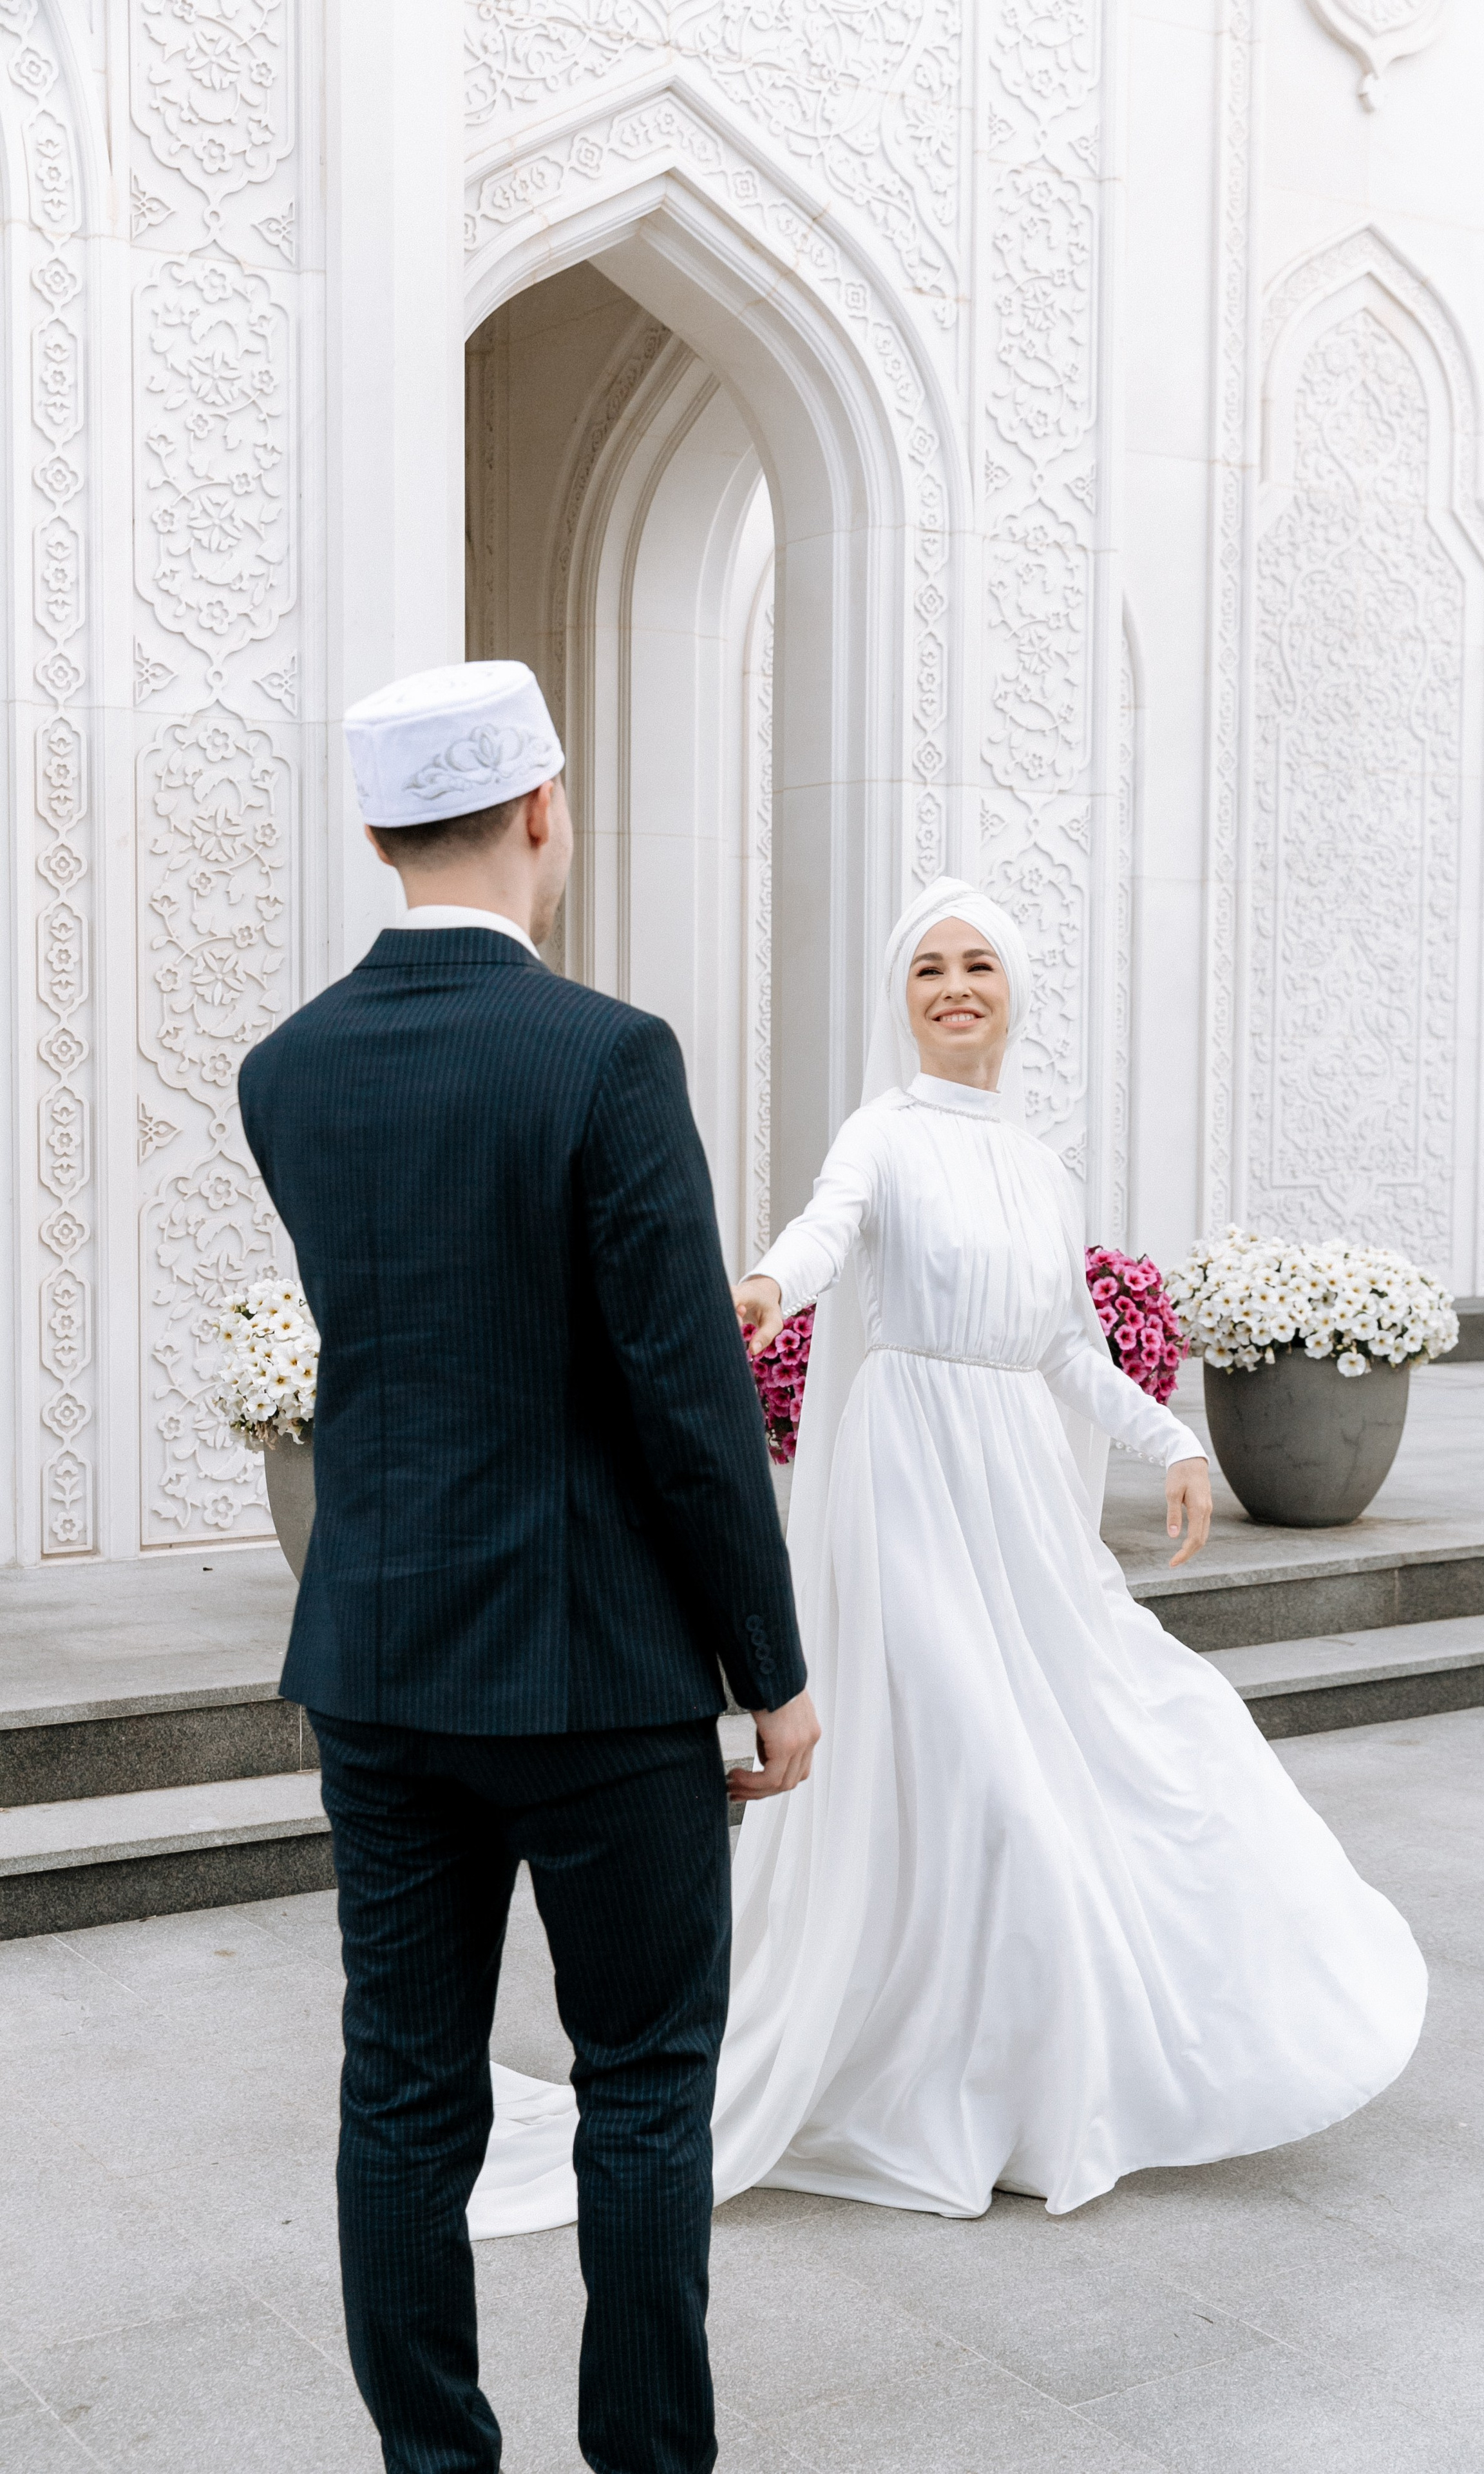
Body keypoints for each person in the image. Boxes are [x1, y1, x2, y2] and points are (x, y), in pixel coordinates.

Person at [474, 875, 1425, 2236]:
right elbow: (821, 1233)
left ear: (1013, 990)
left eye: (976, 964)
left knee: (1110, 1739)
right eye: (928, 970)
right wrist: (757, 1288)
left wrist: (1171, 1444)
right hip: (903, 1483)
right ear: (901, 1000)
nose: (954, 987)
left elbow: (1063, 1352)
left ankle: (1009, 2074)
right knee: (980, 1769)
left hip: (1012, 1502)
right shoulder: (883, 1133)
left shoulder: (1041, 1167)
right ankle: (954, 2079)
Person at [237, 658, 819, 2474]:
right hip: (598, 1667)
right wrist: (773, 1665)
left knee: (400, 2091)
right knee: (642, 2088)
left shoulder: (289, 1073)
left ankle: (436, 2468)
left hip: (384, 1661)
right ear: (547, 809)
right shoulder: (607, 1055)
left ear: (372, 829)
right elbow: (687, 1399)